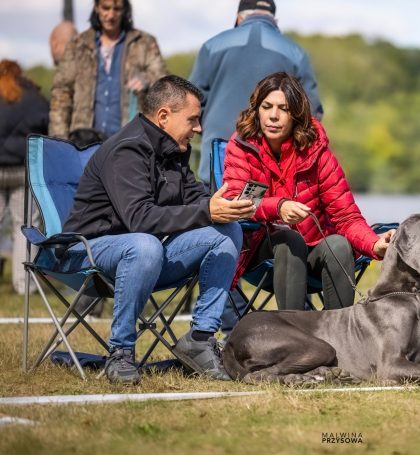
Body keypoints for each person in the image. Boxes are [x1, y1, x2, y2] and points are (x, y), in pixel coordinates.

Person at [57, 75, 255, 384]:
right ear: (163, 116)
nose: (199, 128)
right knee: (144, 244)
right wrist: (205, 210)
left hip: (143, 257)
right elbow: (140, 218)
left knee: (227, 231)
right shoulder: (127, 150)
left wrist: (223, 206)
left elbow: (196, 198)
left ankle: (200, 339)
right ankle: (120, 353)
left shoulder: (172, 150)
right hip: (86, 252)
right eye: (193, 119)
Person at [223, 72, 394, 313]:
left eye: (283, 108)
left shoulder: (318, 153)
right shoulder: (241, 145)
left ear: (296, 115)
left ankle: (339, 338)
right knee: (289, 239)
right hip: (259, 253)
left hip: (312, 250)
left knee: (338, 244)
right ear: (256, 110)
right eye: (266, 106)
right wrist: (279, 206)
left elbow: (347, 217)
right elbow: (234, 202)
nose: (273, 115)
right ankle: (294, 338)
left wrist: (375, 244)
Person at [189, 0, 323, 185]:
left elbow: (191, 102)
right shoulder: (296, 53)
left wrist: (206, 130)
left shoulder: (212, 46)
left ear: (238, 18)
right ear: (275, 20)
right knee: (269, 210)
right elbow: (312, 112)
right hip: (272, 159)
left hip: (218, 153)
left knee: (217, 209)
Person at [49, 0, 167, 140]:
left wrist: (146, 80)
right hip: (83, 142)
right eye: (106, 8)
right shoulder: (78, 45)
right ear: (97, 7)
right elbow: (61, 94)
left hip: (128, 143)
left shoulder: (144, 43)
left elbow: (165, 84)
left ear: (125, 10)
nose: (111, 15)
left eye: (117, 9)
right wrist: (59, 140)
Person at [0, 60, 48, 294]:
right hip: (23, 170)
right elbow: (47, 128)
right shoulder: (34, 98)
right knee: (25, 227)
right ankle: (25, 285)